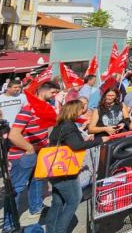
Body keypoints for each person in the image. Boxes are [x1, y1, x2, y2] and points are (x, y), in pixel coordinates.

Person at [44, 100, 108, 233]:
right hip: (65, 170)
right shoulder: (68, 125)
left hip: (56, 169)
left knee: (57, 202)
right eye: (80, 109)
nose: (82, 111)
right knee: (74, 199)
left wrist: (83, 139)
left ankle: (51, 229)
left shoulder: (62, 124)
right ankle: (60, 230)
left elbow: (71, 143)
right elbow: (76, 146)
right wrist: (100, 140)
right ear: (74, 110)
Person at [4, 81, 60, 231]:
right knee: (16, 188)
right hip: (23, 155)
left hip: (37, 152)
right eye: (53, 92)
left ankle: (36, 207)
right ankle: (9, 224)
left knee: (37, 181)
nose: (55, 96)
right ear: (43, 91)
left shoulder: (43, 108)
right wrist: (29, 148)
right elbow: (14, 135)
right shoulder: (27, 109)